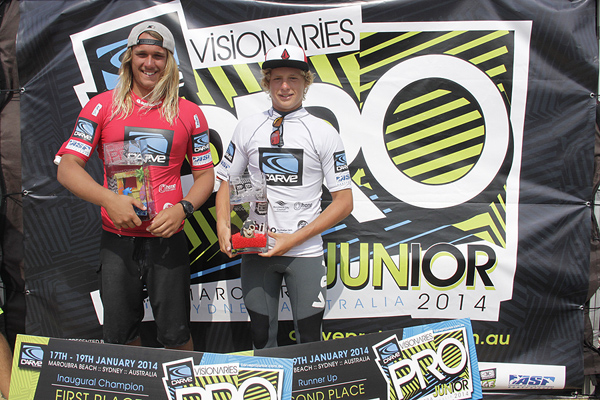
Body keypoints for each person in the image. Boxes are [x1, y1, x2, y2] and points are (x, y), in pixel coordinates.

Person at [55, 21, 214, 351]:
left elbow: (205, 177)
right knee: (120, 338)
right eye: (141, 54)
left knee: (176, 334)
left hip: (167, 239)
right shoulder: (101, 106)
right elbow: (68, 169)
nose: (149, 63)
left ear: (169, 61)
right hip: (118, 240)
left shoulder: (190, 113)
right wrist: (109, 200)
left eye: (158, 55)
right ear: (128, 58)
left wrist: (184, 208)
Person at [215, 44, 353, 348]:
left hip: (304, 252)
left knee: (309, 340)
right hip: (257, 251)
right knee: (261, 337)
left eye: (294, 78)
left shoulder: (323, 132)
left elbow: (344, 202)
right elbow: (225, 180)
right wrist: (223, 226)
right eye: (277, 79)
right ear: (267, 83)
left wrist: (294, 239)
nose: (285, 86)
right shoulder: (248, 127)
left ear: (306, 82)